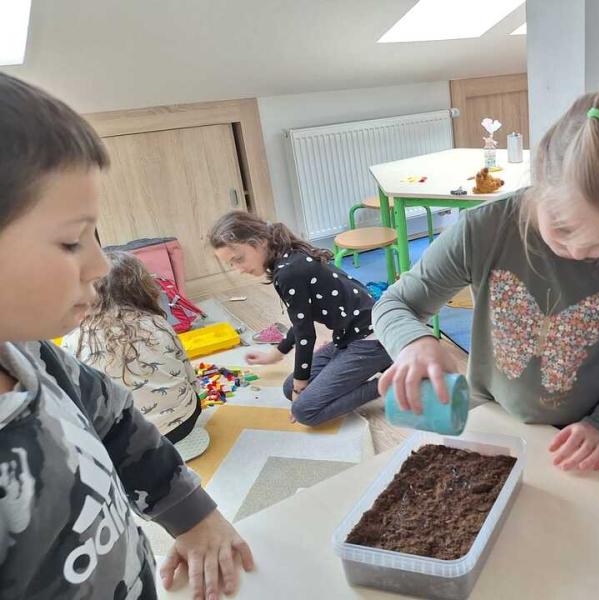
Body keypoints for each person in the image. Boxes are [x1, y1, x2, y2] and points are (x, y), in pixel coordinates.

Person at [0, 72, 252, 600]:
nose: (99, 264)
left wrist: (190, 514)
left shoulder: (31, 351)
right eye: (72, 241)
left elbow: (115, 417)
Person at [373, 83, 599, 471]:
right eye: (563, 227)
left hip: (589, 440)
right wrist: (414, 342)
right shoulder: (484, 230)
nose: (576, 250)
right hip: (492, 424)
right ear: (541, 178)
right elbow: (394, 304)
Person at [209, 211, 392, 426]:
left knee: (305, 411)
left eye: (239, 259)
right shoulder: (286, 259)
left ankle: (392, 380)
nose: (239, 269)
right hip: (348, 336)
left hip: (372, 340)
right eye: (232, 264)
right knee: (289, 388)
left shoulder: (288, 272)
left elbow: (306, 335)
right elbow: (301, 321)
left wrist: (300, 388)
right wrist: (276, 355)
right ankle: (379, 367)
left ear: (259, 242)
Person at [63, 251, 201, 446]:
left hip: (126, 443)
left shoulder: (73, 338)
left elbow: (75, 397)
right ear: (141, 286)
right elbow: (190, 378)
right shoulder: (157, 323)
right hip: (184, 423)